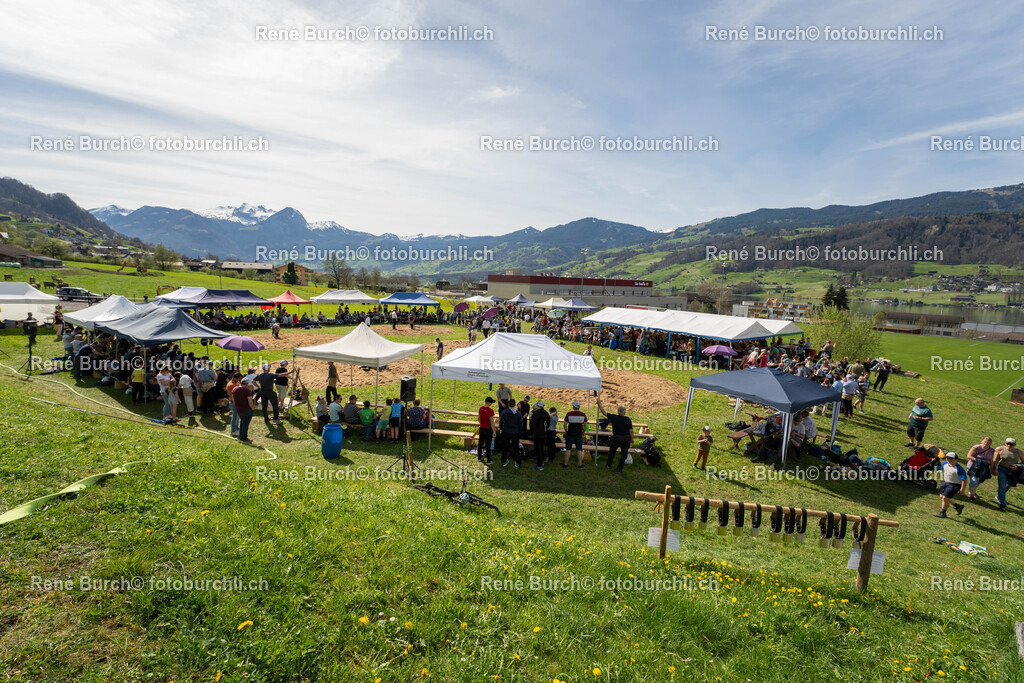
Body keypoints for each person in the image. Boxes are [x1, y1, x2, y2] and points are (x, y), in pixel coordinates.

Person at [599, 396, 634, 472]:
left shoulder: (614, 417)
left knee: (612, 451)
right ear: (624, 412)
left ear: (618, 412)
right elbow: (631, 431)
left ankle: (608, 464)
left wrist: (599, 405)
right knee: (624, 454)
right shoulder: (627, 419)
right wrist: (632, 438)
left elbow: (604, 413)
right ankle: (619, 469)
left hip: (616, 437)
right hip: (625, 438)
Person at [992, 437, 1022, 512]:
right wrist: (994, 469)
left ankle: (998, 495)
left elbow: (1023, 462)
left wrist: (1017, 466)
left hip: (1012, 471)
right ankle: (1002, 504)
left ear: (1014, 444)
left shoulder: (1019, 452)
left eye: (1011, 444)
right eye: (1008, 443)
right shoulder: (1000, 449)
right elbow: (995, 460)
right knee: (1002, 486)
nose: (1009, 445)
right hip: (1002, 469)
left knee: (1009, 485)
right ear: (1005, 443)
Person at [934, 451, 967, 518]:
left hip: (954, 485)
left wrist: (962, 490)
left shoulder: (959, 469)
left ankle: (943, 512)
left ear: (956, 460)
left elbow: (964, 480)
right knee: (942, 496)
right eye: (947, 458)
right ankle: (958, 506)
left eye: (951, 459)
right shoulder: (945, 463)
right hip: (945, 482)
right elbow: (942, 469)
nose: (949, 460)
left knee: (945, 498)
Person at [965, 437, 995, 501]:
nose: (986, 443)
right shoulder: (976, 447)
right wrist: (979, 461)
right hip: (973, 466)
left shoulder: (992, 450)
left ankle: (972, 491)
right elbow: (969, 456)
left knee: (980, 480)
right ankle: (972, 496)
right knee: (974, 480)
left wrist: (992, 468)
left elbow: (991, 460)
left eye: (988, 442)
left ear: (990, 444)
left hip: (984, 468)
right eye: (985, 441)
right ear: (982, 441)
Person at [563, 400, 588, 470]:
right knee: (579, 449)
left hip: (570, 433)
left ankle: (565, 464)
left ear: (573, 406)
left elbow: (565, 424)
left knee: (568, 449)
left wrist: (566, 430)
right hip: (578, 434)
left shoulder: (569, 414)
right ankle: (580, 465)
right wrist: (583, 431)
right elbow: (585, 425)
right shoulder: (583, 415)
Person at [499, 398, 523, 467]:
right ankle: (518, 462)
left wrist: (502, 429)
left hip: (506, 432)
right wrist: (519, 432)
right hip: (515, 432)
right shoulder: (518, 414)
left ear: (508, 404)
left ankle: (503, 461)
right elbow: (520, 425)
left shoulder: (504, 412)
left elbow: (501, 422)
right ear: (515, 405)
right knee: (516, 448)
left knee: (505, 447)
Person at [232, 378, 255, 442]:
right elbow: (250, 402)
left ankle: (240, 436)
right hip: (247, 410)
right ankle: (244, 438)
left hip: (239, 410)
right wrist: (252, 409)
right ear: (247, 384)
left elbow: (233, 399)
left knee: (242, 423)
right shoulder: (247, 391)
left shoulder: (235, 389)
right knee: (245, 425)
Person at [530, 400, 549, 470]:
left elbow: (533, 424)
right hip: (544, 434)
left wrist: (533, 432)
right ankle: (541, 462)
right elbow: (548, 424)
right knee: (541, 448)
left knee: (538, 449)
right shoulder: (546, 413)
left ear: (538, 406)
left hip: (537, 434)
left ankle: (539, 465)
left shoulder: (536, 413)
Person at [478, 397, 496, 464]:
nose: (491, 404)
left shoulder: (480, 408)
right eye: (491, 402)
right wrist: (494, 431)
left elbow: (478, 419)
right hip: (488, 429)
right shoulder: (490, 411)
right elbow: (492, 422)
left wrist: (482, 424)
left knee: (480, 443)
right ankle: (488, 460)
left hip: (481, 428)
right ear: (488, 402)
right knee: (488, 445)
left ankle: (479, 457)